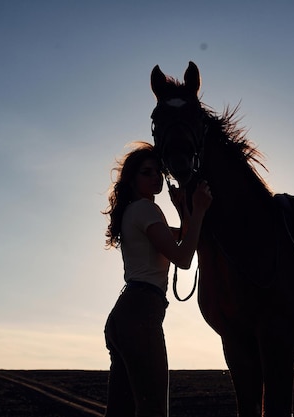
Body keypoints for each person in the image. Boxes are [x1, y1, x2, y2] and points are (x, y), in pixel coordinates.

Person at [102, 141, 212, 417]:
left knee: (121, 412)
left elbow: (185, 234)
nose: (155, 177)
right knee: (153, 411)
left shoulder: (138, 211)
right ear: (132, 178)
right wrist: (198, 208)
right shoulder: (145, 210)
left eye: (157, 172)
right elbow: (184, 258)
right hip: (140, 315)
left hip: (125, 316)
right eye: (146, 172)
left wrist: (182, 209)